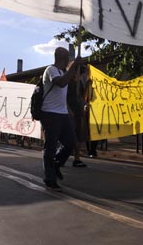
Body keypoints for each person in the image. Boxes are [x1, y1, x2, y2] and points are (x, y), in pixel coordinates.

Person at [40, 47, 82, 191]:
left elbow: (64, 91)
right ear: (61, 58)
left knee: (70, 143)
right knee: (50, 146)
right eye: (67, 59)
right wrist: (74, 66)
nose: (68, 62)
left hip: (62, 113)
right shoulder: (50, 70)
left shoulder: (64, 72)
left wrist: (68, 110)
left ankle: (56, 165)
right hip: (50, 114)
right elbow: (62, 83)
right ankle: (50, 178)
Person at [66, 63, 88, 168]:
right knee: (70, 137)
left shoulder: (79, 83)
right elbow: (64, 98)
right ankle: (59, 157)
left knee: (78, 137)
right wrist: (69, 110)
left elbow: (81, 97)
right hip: (70, 113)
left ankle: (77, 158)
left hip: (78, 113)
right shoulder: (67, 83)